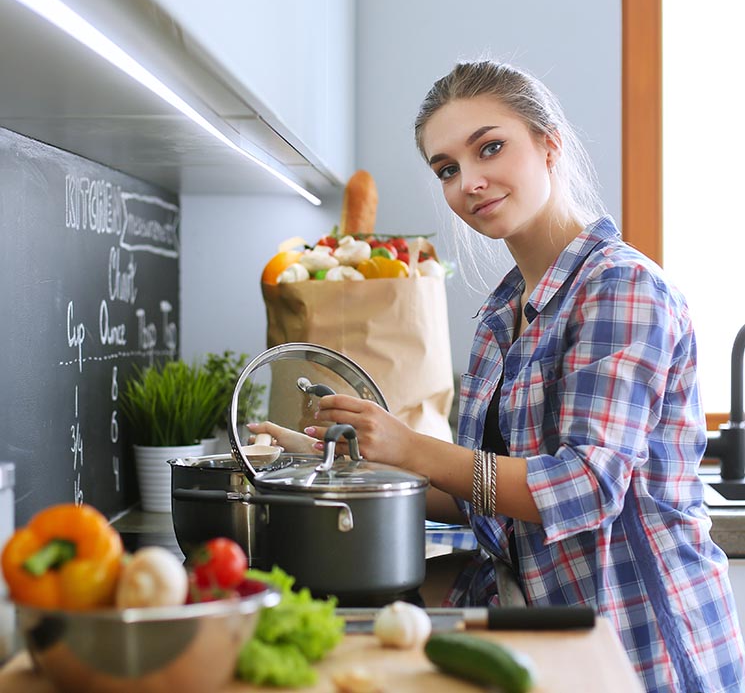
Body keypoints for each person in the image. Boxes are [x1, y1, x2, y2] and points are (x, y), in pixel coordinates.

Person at [249, 60, 745, 693]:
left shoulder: (621, 288)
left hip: (641, 647)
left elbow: (585, 489)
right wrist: (337, 460)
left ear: (548, 144)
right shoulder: (501, 316)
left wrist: (410, 445)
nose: (470, 182)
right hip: (545, 635)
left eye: (490, 148)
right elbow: (481, 497)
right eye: (448, 169)